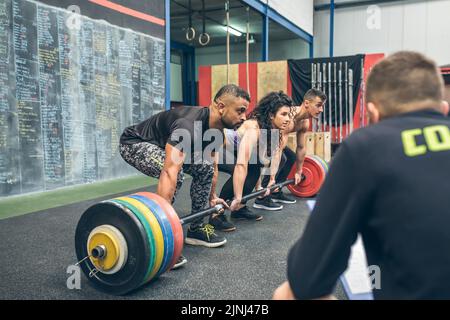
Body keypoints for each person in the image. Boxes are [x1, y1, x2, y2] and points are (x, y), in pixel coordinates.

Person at [273, 51, 450, 300]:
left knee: (288, 294)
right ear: (443, 109)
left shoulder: (366, 146)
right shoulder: (292, 116)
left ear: (373, 113)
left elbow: (307, 279)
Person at [119, 84, 250, 268]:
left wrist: (212, 197)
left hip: (163, 146)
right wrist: (161, 227)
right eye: (240, 111)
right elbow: (169, 171)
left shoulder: (217, 132)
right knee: (176, 173)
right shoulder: (188, 124)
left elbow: (211, 166)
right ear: (221, 107)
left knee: (204, 167)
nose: (244, 117)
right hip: (135, 143)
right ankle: (160, 237)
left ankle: (196, 228)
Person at [210, 91, 293, 231]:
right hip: (218, 147)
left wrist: (263, 185)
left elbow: (259, 161)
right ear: (272, 115)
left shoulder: (271, 130)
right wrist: (238, 196)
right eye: (283, 114)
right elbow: (242, 164)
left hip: (233, 151)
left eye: (289, 115)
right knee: (239, 169)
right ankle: (216, 215)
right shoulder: (254, 128)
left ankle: (239, 210)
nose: (288, 119)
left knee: (253, 170)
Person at [256, 89, 326, 209]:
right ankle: (262, 197)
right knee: (282, 158)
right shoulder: (289, 117)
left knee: (292, 157)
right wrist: (272, 178)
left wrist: (299, 171)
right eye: (318, 105)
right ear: (307, 103)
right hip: (260, 135)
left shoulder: (304, 122)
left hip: (274, 139)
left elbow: (301, 147)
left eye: (322, 106)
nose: (321, 110)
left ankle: (276, 191)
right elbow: (277, 149)